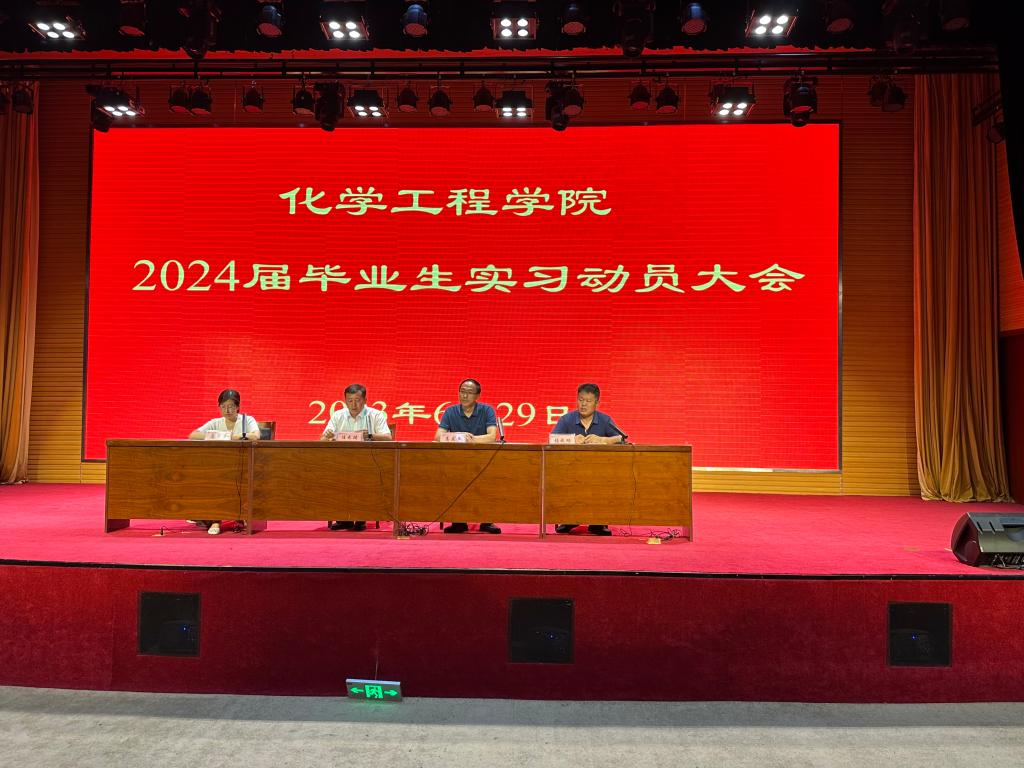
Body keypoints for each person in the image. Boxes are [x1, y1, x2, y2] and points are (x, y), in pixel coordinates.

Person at [550, 383, 625, 536]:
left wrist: (603, 440)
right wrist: (571, 440)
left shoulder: (605, 420)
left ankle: (598, 522)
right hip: (570, 470)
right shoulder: (566, 419)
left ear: (597, 403)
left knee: (604, 480)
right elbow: (552, 439)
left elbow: (621, 438)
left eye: (588, 401)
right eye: (580, 400)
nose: (583, 404)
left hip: (598, 471)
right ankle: (568, 520)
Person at [187, 388, 260, 535]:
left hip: (243, 467)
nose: (227, 410)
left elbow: (255, 436)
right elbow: (193, 435)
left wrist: (233, 436)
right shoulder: (216, 422)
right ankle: (215, 519)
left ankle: (232, 517)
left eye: (231, 406)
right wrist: (222, 435)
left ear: (238, 407)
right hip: (221, 467)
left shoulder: (247, 420)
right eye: (223, 406)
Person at [433, 378, 501, 534]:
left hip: (483, 458)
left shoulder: (487, 410)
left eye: (469, 393)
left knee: (488, 483)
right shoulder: (450, 411)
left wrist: (471, 439)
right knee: (452, 479)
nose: (464, 396)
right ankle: (458, 521)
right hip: (457, 459)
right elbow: (438, 437)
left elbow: (492, 436)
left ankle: (486, 521)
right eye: (462, 391)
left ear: (477, 396)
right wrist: (461, 436)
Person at [321, 383, 392, 531]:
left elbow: (388, 437)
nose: (353, 404)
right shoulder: (338, 415)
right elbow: (323, 439)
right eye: (350, 400)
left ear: (365, 400)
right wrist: (327, 437)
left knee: (362, 476)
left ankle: (361, 517)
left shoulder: (375, 415)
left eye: (357, 400)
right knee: (334, 476)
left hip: (368, 462)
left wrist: (370, 435)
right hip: (341, 462)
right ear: (345, 401)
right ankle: (343, 519)